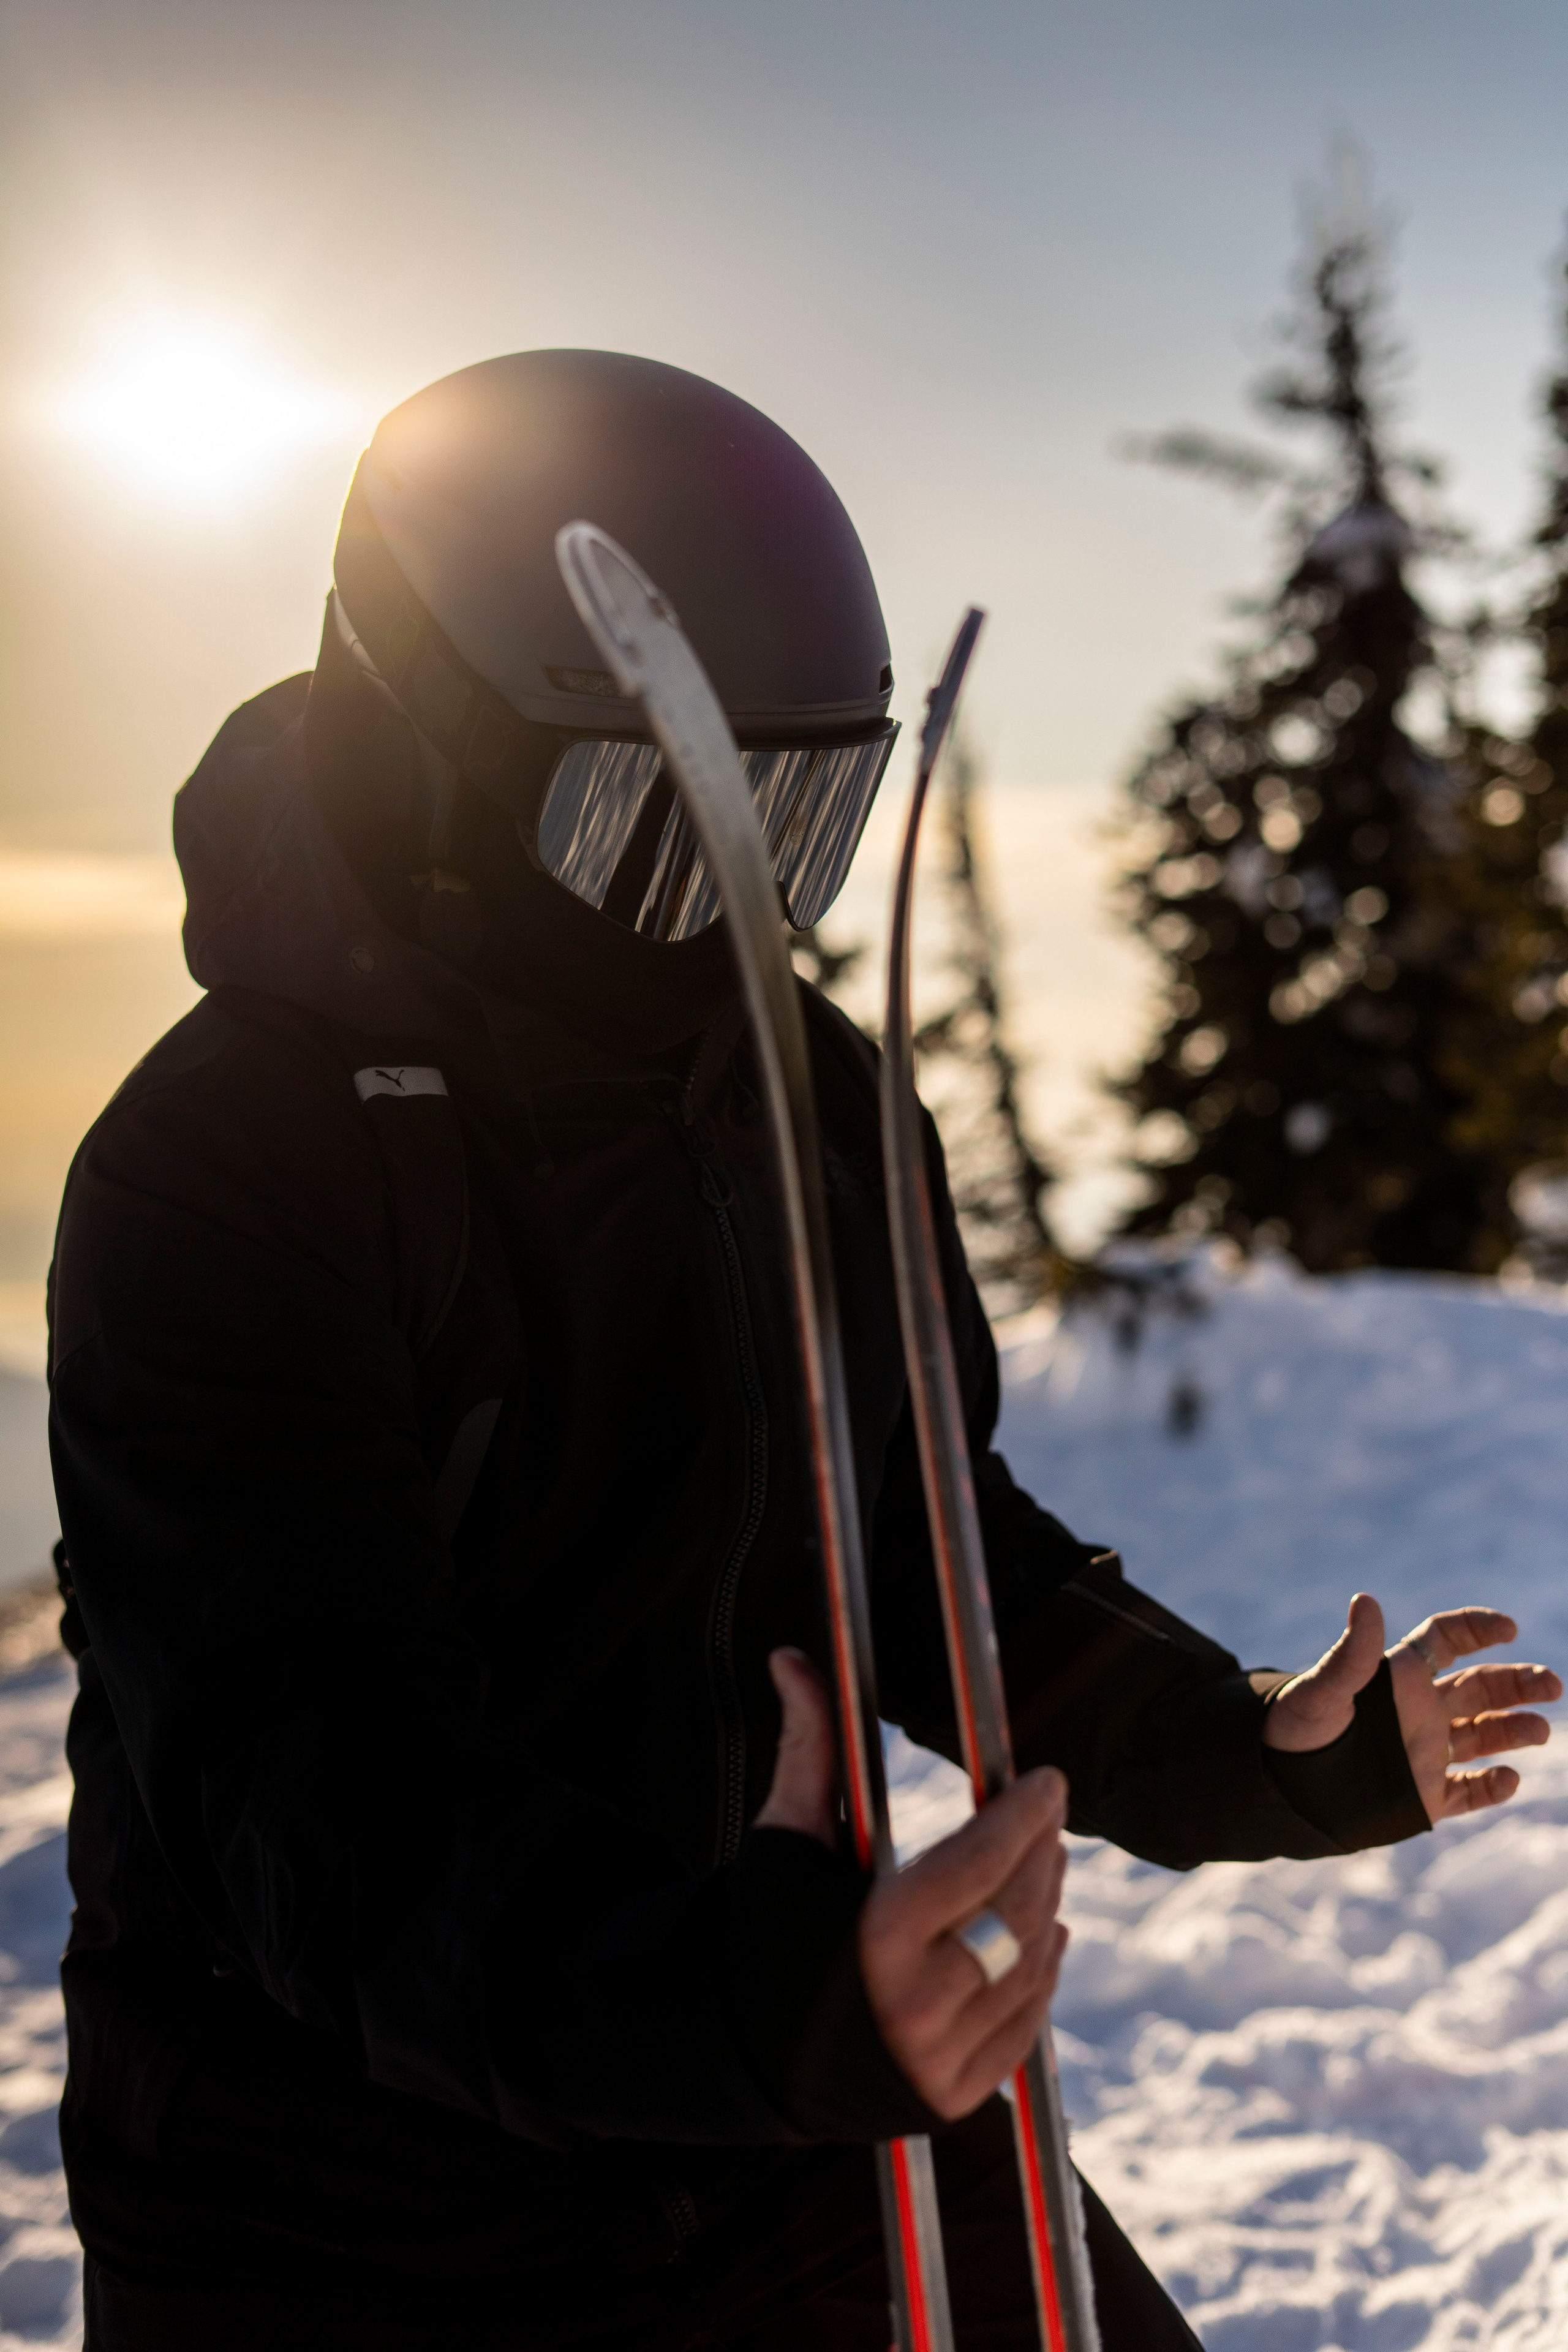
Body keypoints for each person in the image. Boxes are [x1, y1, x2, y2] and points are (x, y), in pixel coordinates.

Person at [48, 350, 1559, 2352]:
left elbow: (930, 1551)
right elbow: (315, 1793)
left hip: (779, 2072)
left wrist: (1242, 1746)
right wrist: (733, 2002)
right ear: (436, 761)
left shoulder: (807, 1107)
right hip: (349, 2186)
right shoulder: (230, 1169)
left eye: (790, 818)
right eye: (645, 821)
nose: (718, 910)